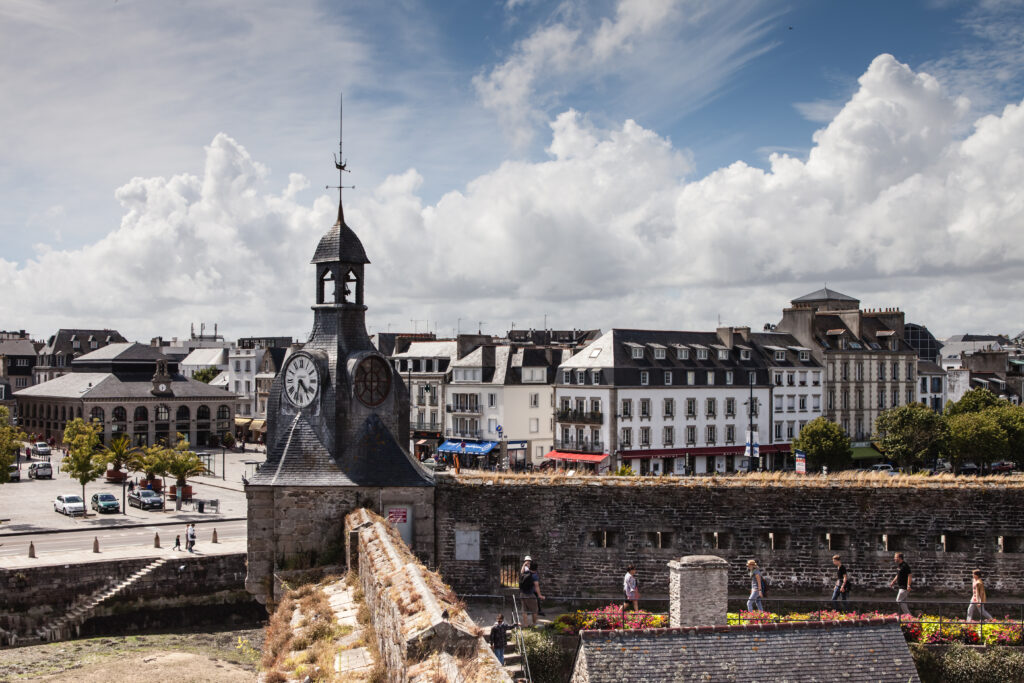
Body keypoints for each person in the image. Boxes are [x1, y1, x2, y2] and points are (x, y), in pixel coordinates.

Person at [519, 559, 544, 626]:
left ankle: (526, 625)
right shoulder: (534, 576)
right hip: (530, 595)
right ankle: (534, 624)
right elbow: (537, 586)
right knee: (535, 610)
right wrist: (540, 595)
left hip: (522, 594)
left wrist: (524, 564)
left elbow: (521, 572)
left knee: (524, 610)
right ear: (536, 568)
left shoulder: (526, 572)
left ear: (530, 567)